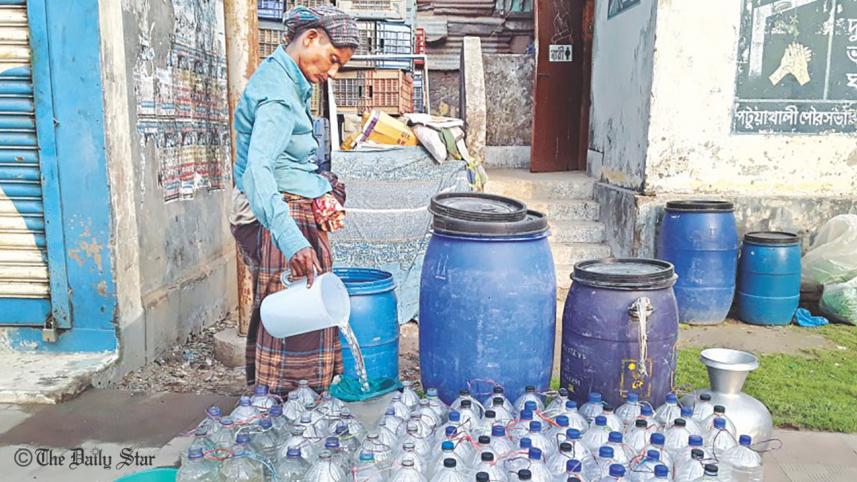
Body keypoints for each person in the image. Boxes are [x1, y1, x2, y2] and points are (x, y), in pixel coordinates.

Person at [230, 6, 359, 395]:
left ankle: (287, 402)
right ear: (311, 39)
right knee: (300, 318)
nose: (332, 72)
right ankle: (290, 407)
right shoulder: (280, 98)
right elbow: (258, 171)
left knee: (289, 311)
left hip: (285, 204)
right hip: (276, 214)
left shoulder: (288, 80)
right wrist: (292, 240)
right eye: (333, 59)